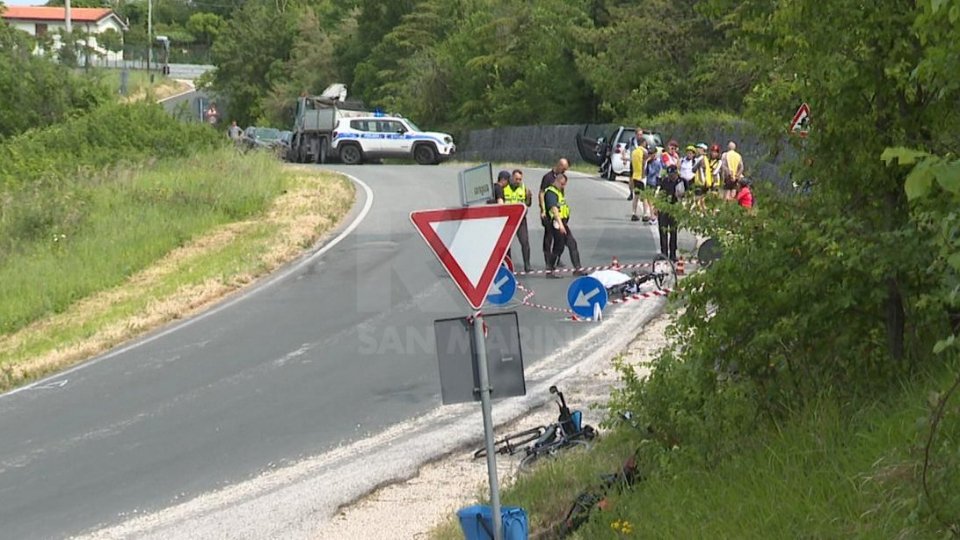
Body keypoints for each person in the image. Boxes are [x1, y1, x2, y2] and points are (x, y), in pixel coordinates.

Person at [543, 172, 585, 278]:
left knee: (572, 244)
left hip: (562, 223)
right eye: (562, 184)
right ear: (556, 181)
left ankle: (577, 269)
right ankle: (550, 270)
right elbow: (554, 209)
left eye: (564, 184)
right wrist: (561, 225)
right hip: (556, 223)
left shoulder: (558, 191)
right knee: (558, 247)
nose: (563, 186)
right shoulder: (551, 193)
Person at [540, 158, 569, 268]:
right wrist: (542, 210)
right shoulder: (548, 177)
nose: (564, 171)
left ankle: (556, 259)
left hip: (558, 213)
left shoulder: (561, 178)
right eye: (564, 169)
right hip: (549, 212)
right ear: (559, 165)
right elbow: (541, 193)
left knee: (559, 239)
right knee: (548, 236)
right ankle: (548, 260)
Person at [503, 169, 533, 272]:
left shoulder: (523, 188)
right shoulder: (505, 187)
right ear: (511, 178)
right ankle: (508, 265)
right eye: (516, 179)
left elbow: (528, 204)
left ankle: (527, 265)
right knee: (507, 244)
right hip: (508, 220)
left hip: (520, 220)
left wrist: (529, 197)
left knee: (525, 242)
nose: (518, 181)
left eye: (520, 179)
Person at [657, 165, 684, 262]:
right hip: (664, 208)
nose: (671, 176)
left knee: (673, 232)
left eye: (672, 174)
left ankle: (672, 253)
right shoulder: (665, 181)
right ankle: (664, 253)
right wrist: (657, 206)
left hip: (675, 208)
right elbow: (660, 194)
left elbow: (686, 195)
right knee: (663, 231)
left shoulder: (681, 181)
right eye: (669, 175)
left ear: (676, 173)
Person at [692, 142, 716, 211]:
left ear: (702, 150)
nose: (696, 150)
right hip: (705, 183)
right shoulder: (706, 159)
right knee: (702, 201)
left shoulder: (701, 159)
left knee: (698, 200)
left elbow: (693, 169)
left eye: (698, 148)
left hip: (701, 183)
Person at [629, 137, 648, 219]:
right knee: (644, 197)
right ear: (643, 143)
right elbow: (644, 163)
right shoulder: (644, 151)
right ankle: (645, 214)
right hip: (642, 176)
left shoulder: (634, 152)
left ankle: (634, 213)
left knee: (636, 196)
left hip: (635, 175)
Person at [627, 128, 645, 202]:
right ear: (635, 134)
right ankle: (631, 193)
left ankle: (640, 193)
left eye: (641, 134)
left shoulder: (643, 142)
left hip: (641, 163)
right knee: (632, 179)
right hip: (633, 162)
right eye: (638, 134)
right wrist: (624, 156)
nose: (640, 136)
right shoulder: (631, 141)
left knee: (641, 178)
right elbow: (625, 149)